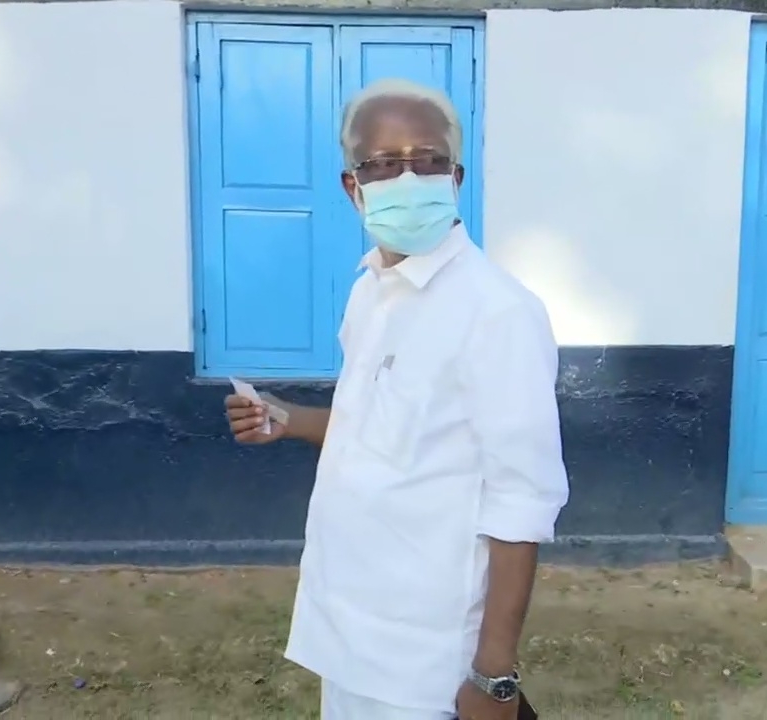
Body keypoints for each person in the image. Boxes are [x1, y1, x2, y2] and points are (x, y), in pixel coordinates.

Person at [224, 79, 569, 720]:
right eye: (385, 164)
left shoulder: (498, 314)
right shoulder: (369, 295)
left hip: (427, 660)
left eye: (429, 160)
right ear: (353, 187)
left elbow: (522, 502)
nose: (409, 177)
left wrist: (493, 676)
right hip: (349, 633)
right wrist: (290, 420)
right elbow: (380, 426)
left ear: (457, 178)